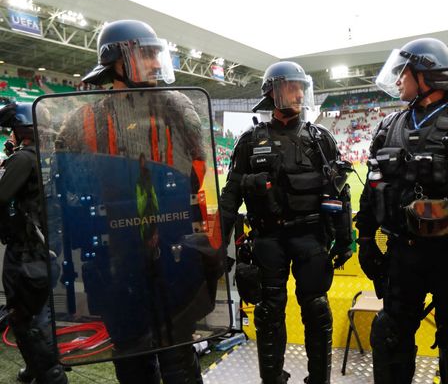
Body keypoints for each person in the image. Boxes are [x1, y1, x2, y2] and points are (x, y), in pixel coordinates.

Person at [54, 19, 217, 384]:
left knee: (178, 351)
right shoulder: (82, 121)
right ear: (116, 62)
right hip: (116, 260)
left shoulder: (178, 108)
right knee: (130, 355)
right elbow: (69, 197)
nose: (157, 63)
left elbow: (203, 178)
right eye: (146, 54)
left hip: (176, 253)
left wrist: (211, 242)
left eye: (157, 54)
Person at [354, 37, 448, 384]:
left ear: (427, 75)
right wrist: (365, 238)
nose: (397, 81)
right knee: (390, 332)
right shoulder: (387, 127)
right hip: (402, 255)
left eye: (403, 73)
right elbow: (372, 187)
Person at [219, 61, 352, 384]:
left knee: (317, 309)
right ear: (273, 93)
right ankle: (273, 378)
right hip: (267, 240)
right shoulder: (250, 140)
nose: (299, 93)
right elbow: (231, 196)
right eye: (292, 87)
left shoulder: (321, 138)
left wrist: (346, 240)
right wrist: (217, 246)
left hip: (311, 238)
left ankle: (319, 379)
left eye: (301, 87)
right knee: (268, 313)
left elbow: (340, 192)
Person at [0, 101, 68, 384]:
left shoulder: (24, 159)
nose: (10, 136)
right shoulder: (44, 156)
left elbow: (2, 197)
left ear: (21, 130)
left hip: (27, 253)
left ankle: (50, 376)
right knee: (40, 314)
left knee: (27, 319)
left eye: (12, 131)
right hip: (46, 249)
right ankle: (38, 370)